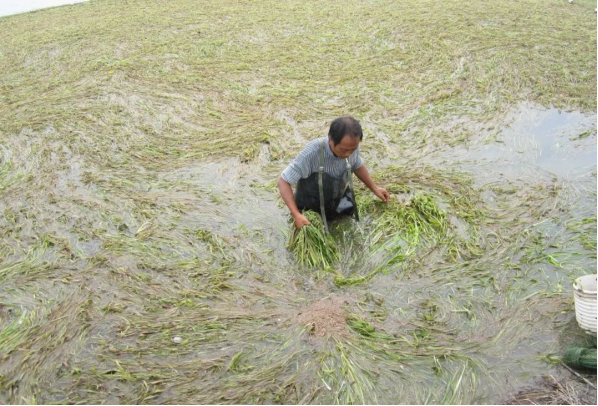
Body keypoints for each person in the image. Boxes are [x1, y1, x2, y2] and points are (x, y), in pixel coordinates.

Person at [278, 116, 390, 229]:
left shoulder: (351, 148)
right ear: (331, 140)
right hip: (310, 206)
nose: (348, 154)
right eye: (343, 150)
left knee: (348, 228)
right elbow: (284, 181)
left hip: (339, 199)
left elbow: (357, 165)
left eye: (353, 149)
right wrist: (296, 214)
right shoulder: (312, 153)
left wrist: (375, 188)